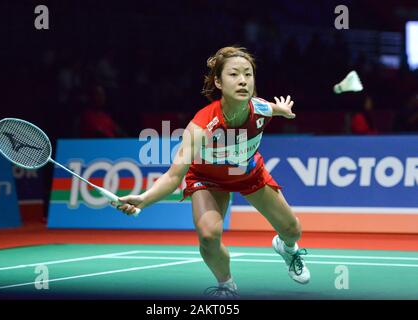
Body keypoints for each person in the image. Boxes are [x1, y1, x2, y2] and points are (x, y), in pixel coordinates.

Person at [113, 46, 310, 298]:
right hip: (208, 179)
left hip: (249, 173)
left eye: (248, 75)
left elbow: (271, 108)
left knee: (293, 230)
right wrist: (143, 199)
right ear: (218, 81)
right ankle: (225, 285)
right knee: (208, 235)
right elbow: (174, 176)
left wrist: (282, 109)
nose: (242, 81)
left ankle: (287, 249)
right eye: (234, 74)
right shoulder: (201, 126)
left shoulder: (260, 109)